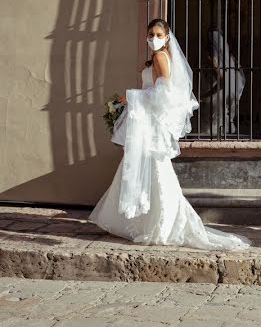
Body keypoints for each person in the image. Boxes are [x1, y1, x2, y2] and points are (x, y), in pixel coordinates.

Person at [90, 18, 249, 250]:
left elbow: (164, 94)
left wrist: (130, 97)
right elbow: (155, 90)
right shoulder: (161, 57)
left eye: (158, 34)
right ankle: (144, 221)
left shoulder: (160, 57)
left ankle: (160, 223)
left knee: (153, 168)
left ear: (166, 37)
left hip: (151, 126)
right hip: (148, 122)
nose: (153, 38)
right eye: (150, 34)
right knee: (147, 168)